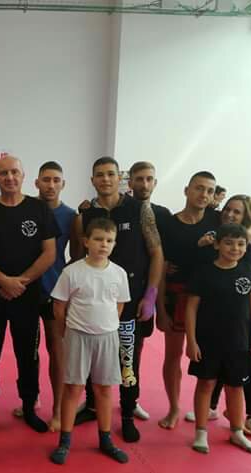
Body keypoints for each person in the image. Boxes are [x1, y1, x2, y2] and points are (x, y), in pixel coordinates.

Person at [71, 157, 163, 443]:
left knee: (128, 358)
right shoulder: (85, 215)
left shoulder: (139, 209)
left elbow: (157, 253)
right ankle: (92, 405)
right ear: (92, 180)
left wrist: (151, 294)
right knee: (92, 354)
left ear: (118, 177)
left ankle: (126, 413)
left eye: (110, 174)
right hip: (94, 301)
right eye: (100, 175)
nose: (106, 179)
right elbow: (77, 258)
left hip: (131, 298)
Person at [0, 155, 58, 433]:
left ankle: (29, 406)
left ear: (23, 176)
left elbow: (49, 253)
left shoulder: (39, 209)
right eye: (4, 173)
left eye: (14, 172)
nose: (9, 177)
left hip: (27, 297)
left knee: (28, 355)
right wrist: (4, 281)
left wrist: (20, 283)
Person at [186, 195, 251, 443]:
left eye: (240, 245)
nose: (235, 249)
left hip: (238, 338)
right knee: (206, 383)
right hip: (209, 339)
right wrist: (191, 340)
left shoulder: (246, 268)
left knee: (237, 385)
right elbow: (191, 308)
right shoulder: (205, 271)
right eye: (229, 244)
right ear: (217, 245)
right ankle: (201, 431)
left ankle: (239, 428)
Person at [49, 218, 130, 465]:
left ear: (114, 244)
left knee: (104, 389)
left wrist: (106, 326)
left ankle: (105, 439)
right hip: (77, 335)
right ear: (86, 242)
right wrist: (68, 332)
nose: (103, 244)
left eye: (109, 240)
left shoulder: (119, 273)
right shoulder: (72, 272)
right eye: (98, 239)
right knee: (73, 388)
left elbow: (119, 305)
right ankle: (65, 440)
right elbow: (59, 307)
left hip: (107, 337)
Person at [156, 171, 220, 429]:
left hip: (212, 296)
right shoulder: (170, 225)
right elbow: (161, 268)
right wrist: (160, 308)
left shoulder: (218, 220)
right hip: (177, 293)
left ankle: (209, 407)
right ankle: (174, 407)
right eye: (199, 188)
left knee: (214, 354)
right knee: (173, 355)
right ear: (187, 190)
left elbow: (245, 227)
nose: (204, 194)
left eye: (209, 190)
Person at [23, 161, 76, 432]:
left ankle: (57, 410)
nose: (51, 185)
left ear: (63, 184)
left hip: (57, 291)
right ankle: (30, 401)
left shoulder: (71, 216)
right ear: (36, 183)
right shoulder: (26, 209)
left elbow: (77, 257)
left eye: (56, 180)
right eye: (46, 180)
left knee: (57, 350)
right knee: (28, 351)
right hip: (28, 289)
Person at [125, 161, 172, 422]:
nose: (144, 184)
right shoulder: (121, 209)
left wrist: (153, 296)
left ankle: (131, 400)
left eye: (149, 179)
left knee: (135, 348)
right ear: (130, 182)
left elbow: (164, 254)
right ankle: (95, 400)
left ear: (155, 182)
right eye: (139, 179)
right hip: (118, 289)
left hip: (145, 291)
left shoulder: (162, 215)